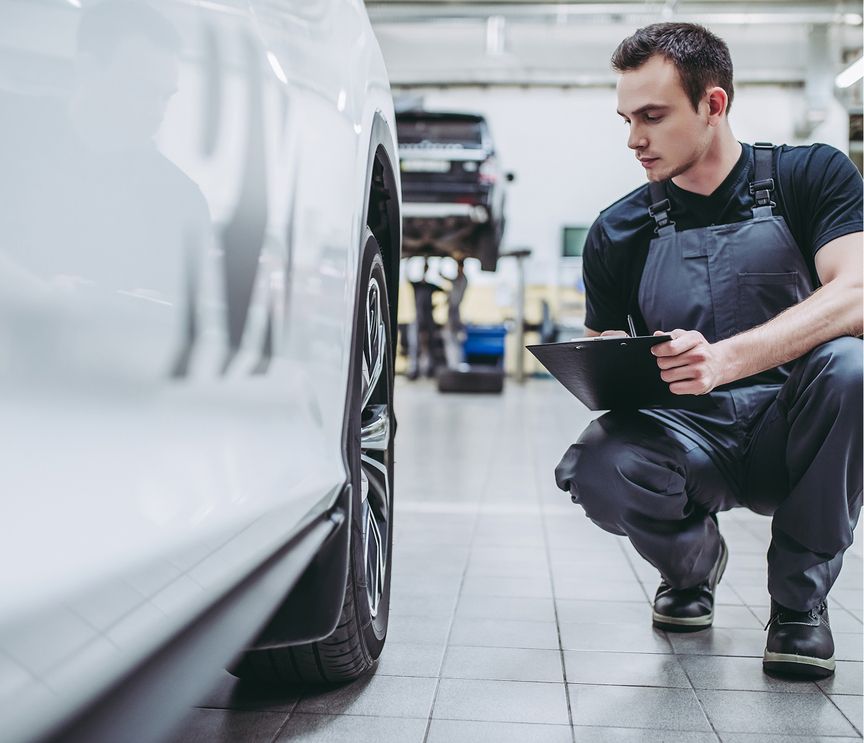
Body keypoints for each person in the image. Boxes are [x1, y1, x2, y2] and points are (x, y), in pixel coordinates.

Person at [554, 22, 862, 679]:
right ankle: (693, 566)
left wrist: (724, 359)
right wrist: (607, 354)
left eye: (654, 116)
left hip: (795, 426)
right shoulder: (618, 229)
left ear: (713, 105)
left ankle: (799, 607)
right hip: (692, 437)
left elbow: (857, 295)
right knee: (599, 463)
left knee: (853, 367)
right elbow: (609, 341)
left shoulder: (810, 177)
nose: (635, 138)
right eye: (627, 118)